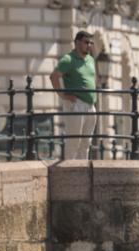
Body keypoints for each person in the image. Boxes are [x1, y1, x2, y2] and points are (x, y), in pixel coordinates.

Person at [51, 31, 99, 161]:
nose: (89, 45)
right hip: (76, 104)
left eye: (90, 43)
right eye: (86, 42)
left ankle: (83, 170)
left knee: (86, 143)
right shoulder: (68, 59)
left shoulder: (90, 60)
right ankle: (69, 169)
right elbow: (54, 76)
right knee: (74, 141)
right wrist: (62, 95)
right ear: (77, 43)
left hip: (90, 105)